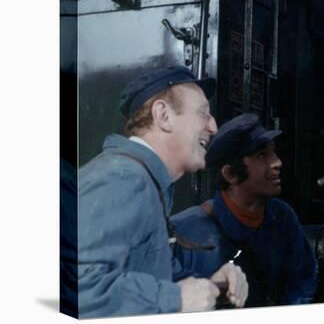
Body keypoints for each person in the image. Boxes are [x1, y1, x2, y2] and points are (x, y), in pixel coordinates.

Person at [78, 66, 248, 318]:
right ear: (163, 116)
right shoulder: (122, 179)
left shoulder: (148, 183)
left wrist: (212, 285)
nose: (213, 127)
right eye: (203, 114)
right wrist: (174, 298)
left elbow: (148, 276)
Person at [171, 113, 318, 307]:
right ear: (230, 174)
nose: (277, 163)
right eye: (262, 155)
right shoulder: (183, 233)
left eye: (273, 152)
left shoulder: (282, 218)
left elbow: (301, 280)